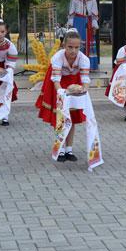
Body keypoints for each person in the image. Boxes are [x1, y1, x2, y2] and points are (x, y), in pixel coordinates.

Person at [35, 30, 90, 162]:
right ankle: (60, 148)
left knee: (72, 117)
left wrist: (81, 91)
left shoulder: (83, 59)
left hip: (74, 81)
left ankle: (69, 149)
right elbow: (56, 80)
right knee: (61, 116)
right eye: (70, 47)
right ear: (64, 46)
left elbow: (85, 81)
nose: (73, 51)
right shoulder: (57, 58)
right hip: (58, 84)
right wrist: (63, 93)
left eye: (77, 47)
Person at [67, 0, 100, 70]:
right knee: (77, 41)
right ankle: (76, 64)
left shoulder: (93, 0)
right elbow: (71, 13)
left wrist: (94, 26)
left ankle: (89, 65)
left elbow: (94, 14)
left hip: (88, 21)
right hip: (77, 22)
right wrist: (70, 25)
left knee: (89, 42)